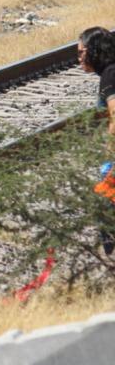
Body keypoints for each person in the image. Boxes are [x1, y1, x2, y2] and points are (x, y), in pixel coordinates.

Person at [78, 26, 115, 255]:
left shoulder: (111, 75)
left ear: (94, 51)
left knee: (105, 212)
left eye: (82, 52)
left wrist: (111, 161)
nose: (78, 58)